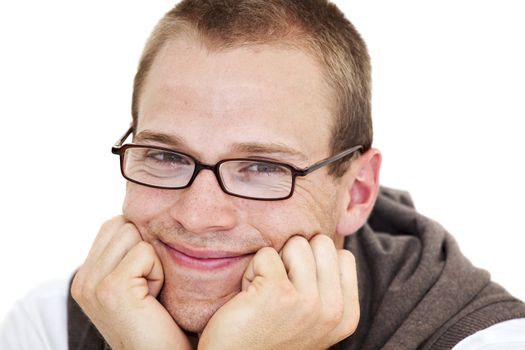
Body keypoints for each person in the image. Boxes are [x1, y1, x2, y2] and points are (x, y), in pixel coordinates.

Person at [1, 0, 525, 349]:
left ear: (356, 192)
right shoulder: (51, 325)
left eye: (261, 167)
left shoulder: (482, 339)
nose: (199, 214)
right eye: (166, 156)